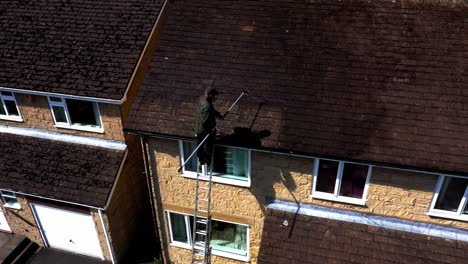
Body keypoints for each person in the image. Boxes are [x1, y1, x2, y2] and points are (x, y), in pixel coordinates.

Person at [194, 88, 224, 170]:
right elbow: (205, 121)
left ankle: (201, 160)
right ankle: (206, 162)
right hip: (203, 130)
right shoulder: (207, 106)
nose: (215, 98)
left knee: (199, 144)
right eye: (214, 96)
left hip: (198, 128)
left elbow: (211, 110)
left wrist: (218, 115)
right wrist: (211, 130)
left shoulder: (202, 99)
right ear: (210, 95)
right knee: (207, 145)